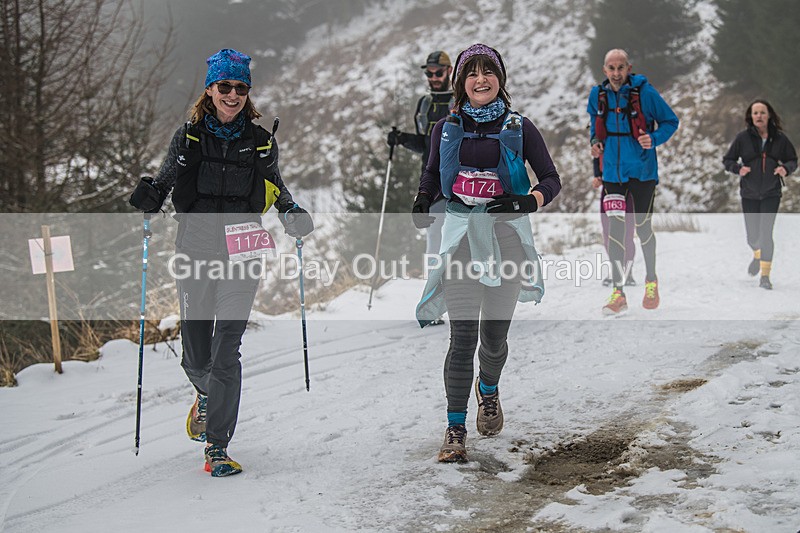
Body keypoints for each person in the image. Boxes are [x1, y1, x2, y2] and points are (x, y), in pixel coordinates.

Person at [129, 49, 314, 477]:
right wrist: (149, 196)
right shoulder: (189, 137)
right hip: (195, 247)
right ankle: (206, 394)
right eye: (224, 86)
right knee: (196, 355)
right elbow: (163, 182)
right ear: (209, 89)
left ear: (247, 93)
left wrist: (292, 215)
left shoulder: (262, 141)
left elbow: (277, 189)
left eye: (240, 87)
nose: (232, 94)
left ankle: (217, 448)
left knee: (226, 349)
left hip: (243, 248)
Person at [413, 44, 561, 463]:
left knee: (493, 341)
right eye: (472, 73)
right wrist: (423, 199)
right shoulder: (446, 126)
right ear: (462, 82)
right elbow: (430, 173)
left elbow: (551, 180)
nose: (481, 80)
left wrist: (525, 202)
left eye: (488, 72)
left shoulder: (520, 126)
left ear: (500, 79)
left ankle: (489, 390)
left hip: (506, 242)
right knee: (462, 339)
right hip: (461, 238)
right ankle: (455, 428)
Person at [587, 49, 679, 315]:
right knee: (616, 232)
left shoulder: (646, 94)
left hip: (642, 171)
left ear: (629, 68)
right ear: (605, 70)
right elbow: (595, 127)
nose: (616, 73)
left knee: (643, 227)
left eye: (620, 67)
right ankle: (619, 292)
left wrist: (654, 138)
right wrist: (595, 144)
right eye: (611, 68)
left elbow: (671, 121)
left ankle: (651, 281)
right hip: (612, 175)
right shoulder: (598, 96)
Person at [389, 52, 454, 321]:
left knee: (469, 240)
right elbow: (426, 145)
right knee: (434, 240)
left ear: (449, 71)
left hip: (462, 181)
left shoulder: (459, 100)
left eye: (438, 72)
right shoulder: (424, 103)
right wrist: (402, 139)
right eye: (429, 73)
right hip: (432, 182)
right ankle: (433, 302)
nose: (433, 77)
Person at [722, 99, 797, 289]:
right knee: (752, 237)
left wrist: (785, 169)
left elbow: (792, 160)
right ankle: (757, 255)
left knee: (766, 234)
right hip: (749, 193)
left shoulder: (780, 139)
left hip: (772, 193)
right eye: (755, 113)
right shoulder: (742, 138)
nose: (759, 116)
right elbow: (728, 159)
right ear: (751, 117)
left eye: (762, 112)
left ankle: (765, 276)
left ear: (769, 115)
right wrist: (738, 169)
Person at [593, 160, 636, 286]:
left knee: (627, 233)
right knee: (608, 233)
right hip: (608, 186)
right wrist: (597, 175)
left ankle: (627, 271)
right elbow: (598, 151)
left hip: (628, 186)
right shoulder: (604, 140)